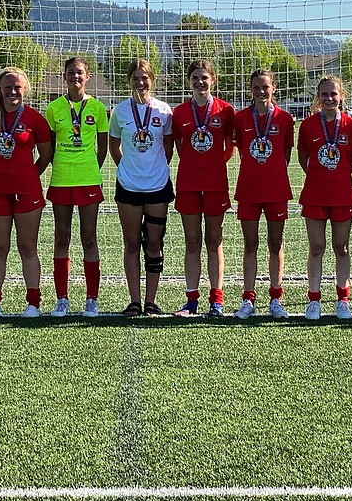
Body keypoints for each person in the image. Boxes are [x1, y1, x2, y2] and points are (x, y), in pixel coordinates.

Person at [0, 67, 53, 318]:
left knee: (27, 246)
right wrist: (0, 173)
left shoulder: (35, 119)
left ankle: (33, 303)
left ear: (25, 89)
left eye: (17, 87)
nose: (13, 91)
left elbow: (46, 155)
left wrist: (29, 174)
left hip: (27, 191)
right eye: (8, 87)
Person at [43, 57, 109, 318]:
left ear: (88, 76)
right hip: (61, 179)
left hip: (88, 180)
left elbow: (102, 149)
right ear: (65, 77)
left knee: (89, 237)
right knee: (62, 237)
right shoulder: (54, 109)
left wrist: (89, 167)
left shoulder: (98, 108)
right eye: (71, 73)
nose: (75, 77)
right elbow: (48, 147)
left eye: (80, 73)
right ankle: (62, 299)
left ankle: (92, 299)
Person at [109, 59, 174, 316]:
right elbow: (114, 146)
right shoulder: (120, 112)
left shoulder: (164, 111)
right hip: (129, 186)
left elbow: (168, 148)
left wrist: (153, 167)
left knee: (154, 242)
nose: (140, 82)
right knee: (132, 242)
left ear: (152, 80)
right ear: (129, 81)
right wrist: (127, 167)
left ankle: (151, 301)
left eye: (144, 77)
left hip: (157, 185)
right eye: (135, 78)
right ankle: (134, 301)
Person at [171, 59, 235, 318]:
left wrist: (214, 164)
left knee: (214, 241)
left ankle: (216, 300)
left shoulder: (225, 111)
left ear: (213, 80)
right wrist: (194, 164)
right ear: (189, 81)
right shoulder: (180, 112)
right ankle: (191, 300)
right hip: (188, 184)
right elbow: (178, 144)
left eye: (204, 78)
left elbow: (230, 147)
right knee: (192, 241)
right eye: (195, 78)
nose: (200, 82)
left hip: (215, 184)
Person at [297, 75, 352, 319]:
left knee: (341, 247)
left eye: (333, 94)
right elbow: (303, 158)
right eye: (324, 94)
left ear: (341, 96)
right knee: (316, 247)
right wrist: (319, 174)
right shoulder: (307, 125)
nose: (329, 98)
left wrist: (338, 174)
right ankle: (314, 299)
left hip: (343, 194)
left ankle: (343, 299)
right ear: (318, 97)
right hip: (315, 194)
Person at [232, 69, 294, 319]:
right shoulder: (240, 118)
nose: (260, 91)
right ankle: (248, 298)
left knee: (275, 243)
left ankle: (275, 298)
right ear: (250, 89)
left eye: (265, 87)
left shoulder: (285, 119)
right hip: (248, 189)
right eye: (256, 87)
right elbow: (241, 150)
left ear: (273, 89)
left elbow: (287, 154)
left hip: (276, 189)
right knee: (250, 244)